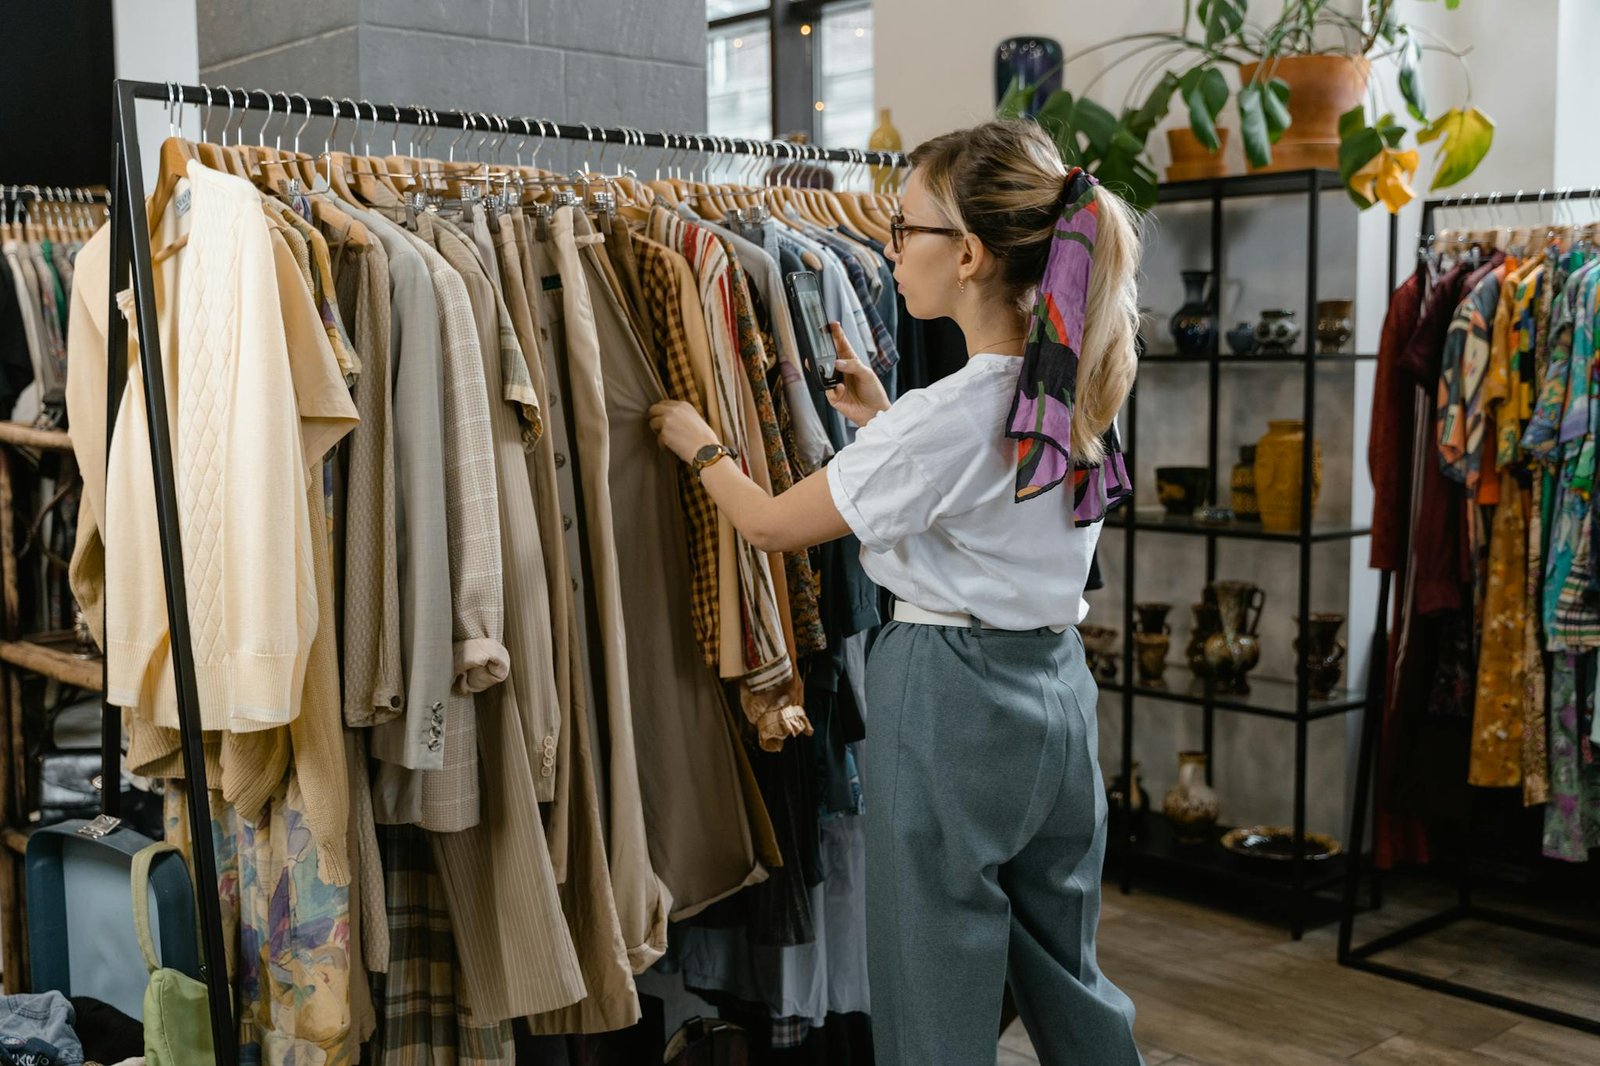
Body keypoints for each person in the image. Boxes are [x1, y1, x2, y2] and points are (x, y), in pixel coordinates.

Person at [648, 118, 1144, 1066]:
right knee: (1062, 964)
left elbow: (769, 524)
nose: (887, 247)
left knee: (932, 965)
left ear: (968, 253)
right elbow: (981, 498)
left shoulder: (949, 415)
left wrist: (694, 439)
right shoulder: (1068, 382)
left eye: (903, 228)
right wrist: (883, 417)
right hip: (1055, 690)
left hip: (952, 692)